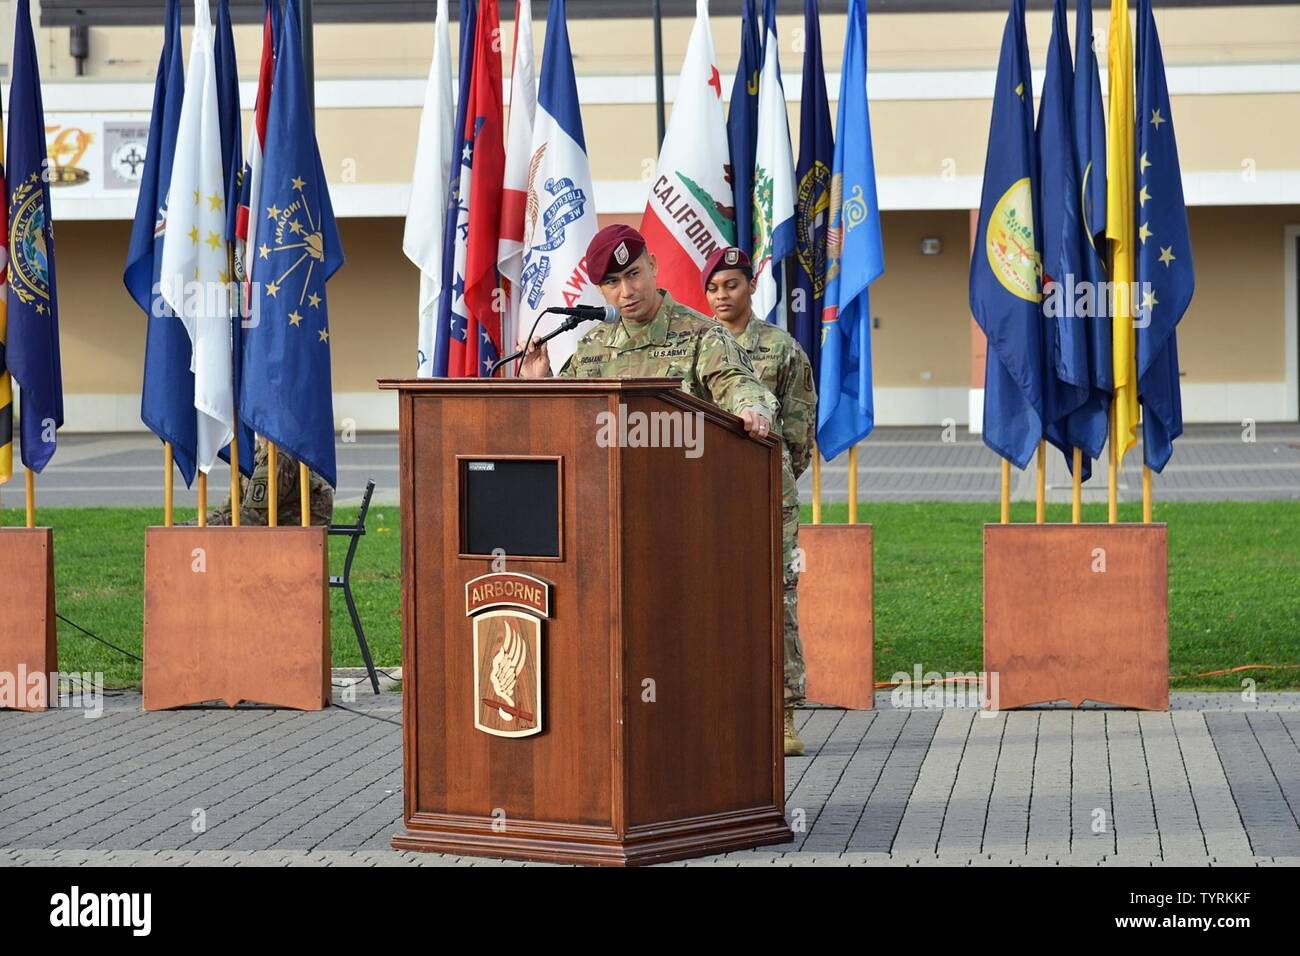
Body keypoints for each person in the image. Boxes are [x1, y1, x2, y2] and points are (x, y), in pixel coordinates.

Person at [703, 246, 817, 757]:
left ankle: (783, 715)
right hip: (706, 495)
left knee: (777, 598)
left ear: (751, 286)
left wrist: (773, 474)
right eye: (713, 287)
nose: (722, 295)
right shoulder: (695, 345)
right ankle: (717, 708)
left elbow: (799, 428)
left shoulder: (782, 347)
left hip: (771, 493)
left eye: (732, 284)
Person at [518, 224, 778, 441]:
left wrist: (751, 407)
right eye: (612, 282)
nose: (627, 290)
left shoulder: (704, 335)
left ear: (652, 265)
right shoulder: (592, 345)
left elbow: (736, 381)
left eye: (633, 274)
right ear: (600, 289)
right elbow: (566, 414)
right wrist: (540, 381)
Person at [197, 436, 334, 527]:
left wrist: (200, 529)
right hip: (264, 541)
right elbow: (227, 510)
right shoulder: (253, 454)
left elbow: (253, 517)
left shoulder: (280, 455)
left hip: (290, 548)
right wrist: (189, 526)